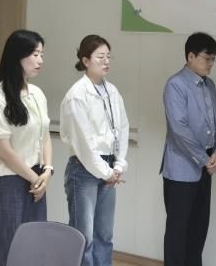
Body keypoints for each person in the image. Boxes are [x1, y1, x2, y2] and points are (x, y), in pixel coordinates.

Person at [0, 29, 52, 266]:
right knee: (6, 250)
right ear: (17, 56)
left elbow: (44, 136)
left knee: (33, 249)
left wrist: (47, 171)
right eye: (34, 54)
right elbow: (4, 151)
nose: (40, 60)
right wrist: (35, 179)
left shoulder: (37, 94)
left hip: (37, 179)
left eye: (41, 54)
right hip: (8, 183)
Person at [60, 34, 129, 266]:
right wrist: (107, 172)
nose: (106, 61)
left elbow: (122, 128)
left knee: (104, 235)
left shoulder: (112, 91)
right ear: (85, 60)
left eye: (109, 56)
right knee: (84, 238)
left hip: (109, 167)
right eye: (100, 57)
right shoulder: (77, 95)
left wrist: (118, 165)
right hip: (84, 169)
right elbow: (84, 145)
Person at [161, 32, 216, 266]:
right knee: (178, 231)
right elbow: (179, 129)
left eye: (214, 58)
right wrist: (204, 158)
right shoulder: (175, 85)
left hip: (205, 167)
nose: (211, 63)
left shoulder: (210, 85)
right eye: (207, 58)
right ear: (190, 56)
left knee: (199, 229)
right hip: (181, 170)